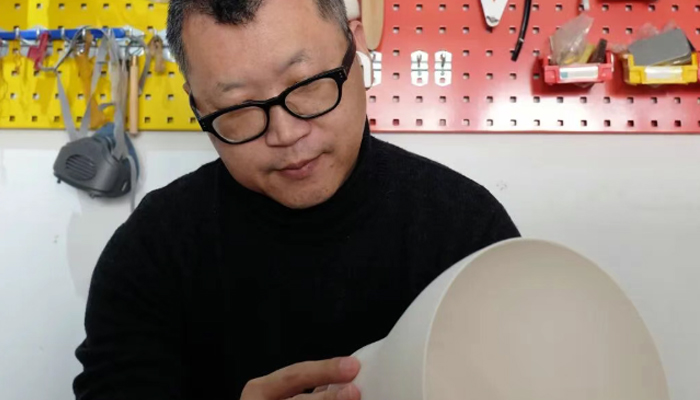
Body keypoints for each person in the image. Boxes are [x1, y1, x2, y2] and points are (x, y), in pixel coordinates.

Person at [72, 0, 520, 399]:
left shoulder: (467, 230)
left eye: (308, 84)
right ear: (198, 107)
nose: (285, 134)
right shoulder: (151, 251)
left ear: (357, 50)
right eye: (239, 108)